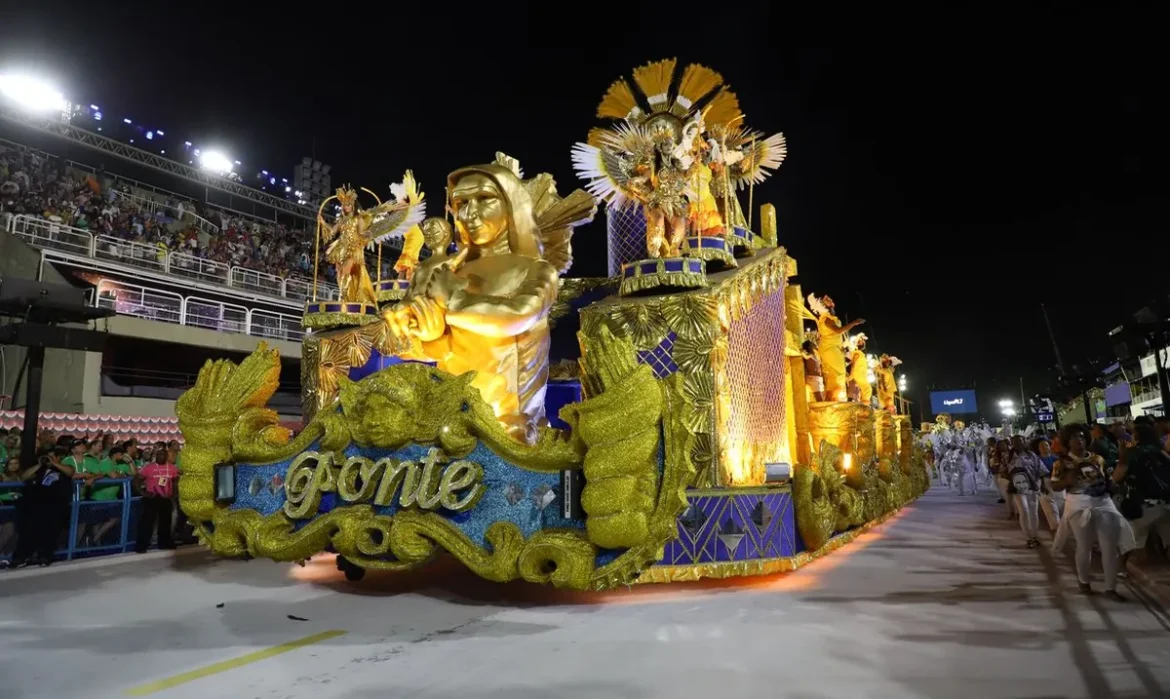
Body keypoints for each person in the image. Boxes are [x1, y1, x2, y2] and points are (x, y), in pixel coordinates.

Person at [1051, 423, 1136, 600]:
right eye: (1074, 438)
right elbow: (1055, 485)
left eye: (1082, 437)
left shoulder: (1098, 459)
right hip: (1078, 505)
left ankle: (1111, 589)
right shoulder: (1062, 462)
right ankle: (1084, 582)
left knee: (1110, 548)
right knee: (1084, 546)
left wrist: (1115, 482)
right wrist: (1067, 480)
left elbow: (1107, 480)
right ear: (1067, 441)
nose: (1079, 441)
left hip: (1103, 502)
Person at [1112, 421, 1170, 567]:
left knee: (1131, 543)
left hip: (1142, 506)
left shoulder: (1132, 453)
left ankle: (1121, 572)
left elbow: (1116, 477)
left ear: (1137, 436)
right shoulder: (1161, 451)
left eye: (1132, 434)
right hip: (1166, 502)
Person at [10, 447, 76, 567]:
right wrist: (39, 465)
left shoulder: (64, 468)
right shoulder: (40, 470)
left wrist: (55, 464)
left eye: (51, 457)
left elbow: (70, 472)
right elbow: (24, 476)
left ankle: (44, 556)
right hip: (36, 504)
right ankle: (21, 557)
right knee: (28, 532)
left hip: (55, 505)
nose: (48, 460)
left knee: (49, 533)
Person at [135, 450, 179, 553]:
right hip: (152, 498)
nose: (161, 457)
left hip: (166, 498)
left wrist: (174, 494)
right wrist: (142, 492)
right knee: (147, 523)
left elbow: (175, 481)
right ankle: (141, 546)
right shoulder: (149, 467)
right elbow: (137, 479)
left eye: (163, 455)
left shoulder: (172, 468)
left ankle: (164, 543)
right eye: (158, 455)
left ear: (166, 456)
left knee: (166, 522)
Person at [1008, 435, 1047, 548]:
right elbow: (1006, 471)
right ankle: (1028, 538)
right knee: (1024, 511)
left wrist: (1043, 484)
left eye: (1021, 441)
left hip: (1033, 487)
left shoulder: (1032, 455)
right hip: (1018, 488)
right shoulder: (1009, 456)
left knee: (1033, 512)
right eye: (1016, 442)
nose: (1019, 444)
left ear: (1025, 442)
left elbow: (1041, 470)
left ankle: (1034, 536)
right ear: (1012, 443)